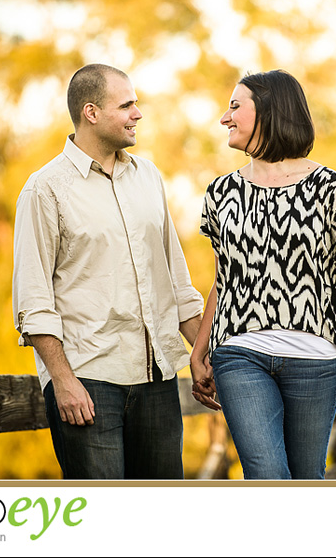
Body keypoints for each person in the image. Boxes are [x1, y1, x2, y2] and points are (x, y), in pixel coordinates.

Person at [190, 69, 336, 480]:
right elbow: (223, 279)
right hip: (239, 354)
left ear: (267, 111)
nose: (224, 118)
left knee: (305, 478)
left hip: (315, 360)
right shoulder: (221, 193)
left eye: (234, 106)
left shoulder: (330, 188)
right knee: (266, 474)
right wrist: (200, 347)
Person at [12, 63, 204, 479]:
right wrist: (62, 381)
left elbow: (177, 281)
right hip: (88, 381)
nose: (138, 113)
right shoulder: (45, 189)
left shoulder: (148, 177)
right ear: (91, 112)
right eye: (127, 105)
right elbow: (33, 298)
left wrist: (201, 353)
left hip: (158, 376)